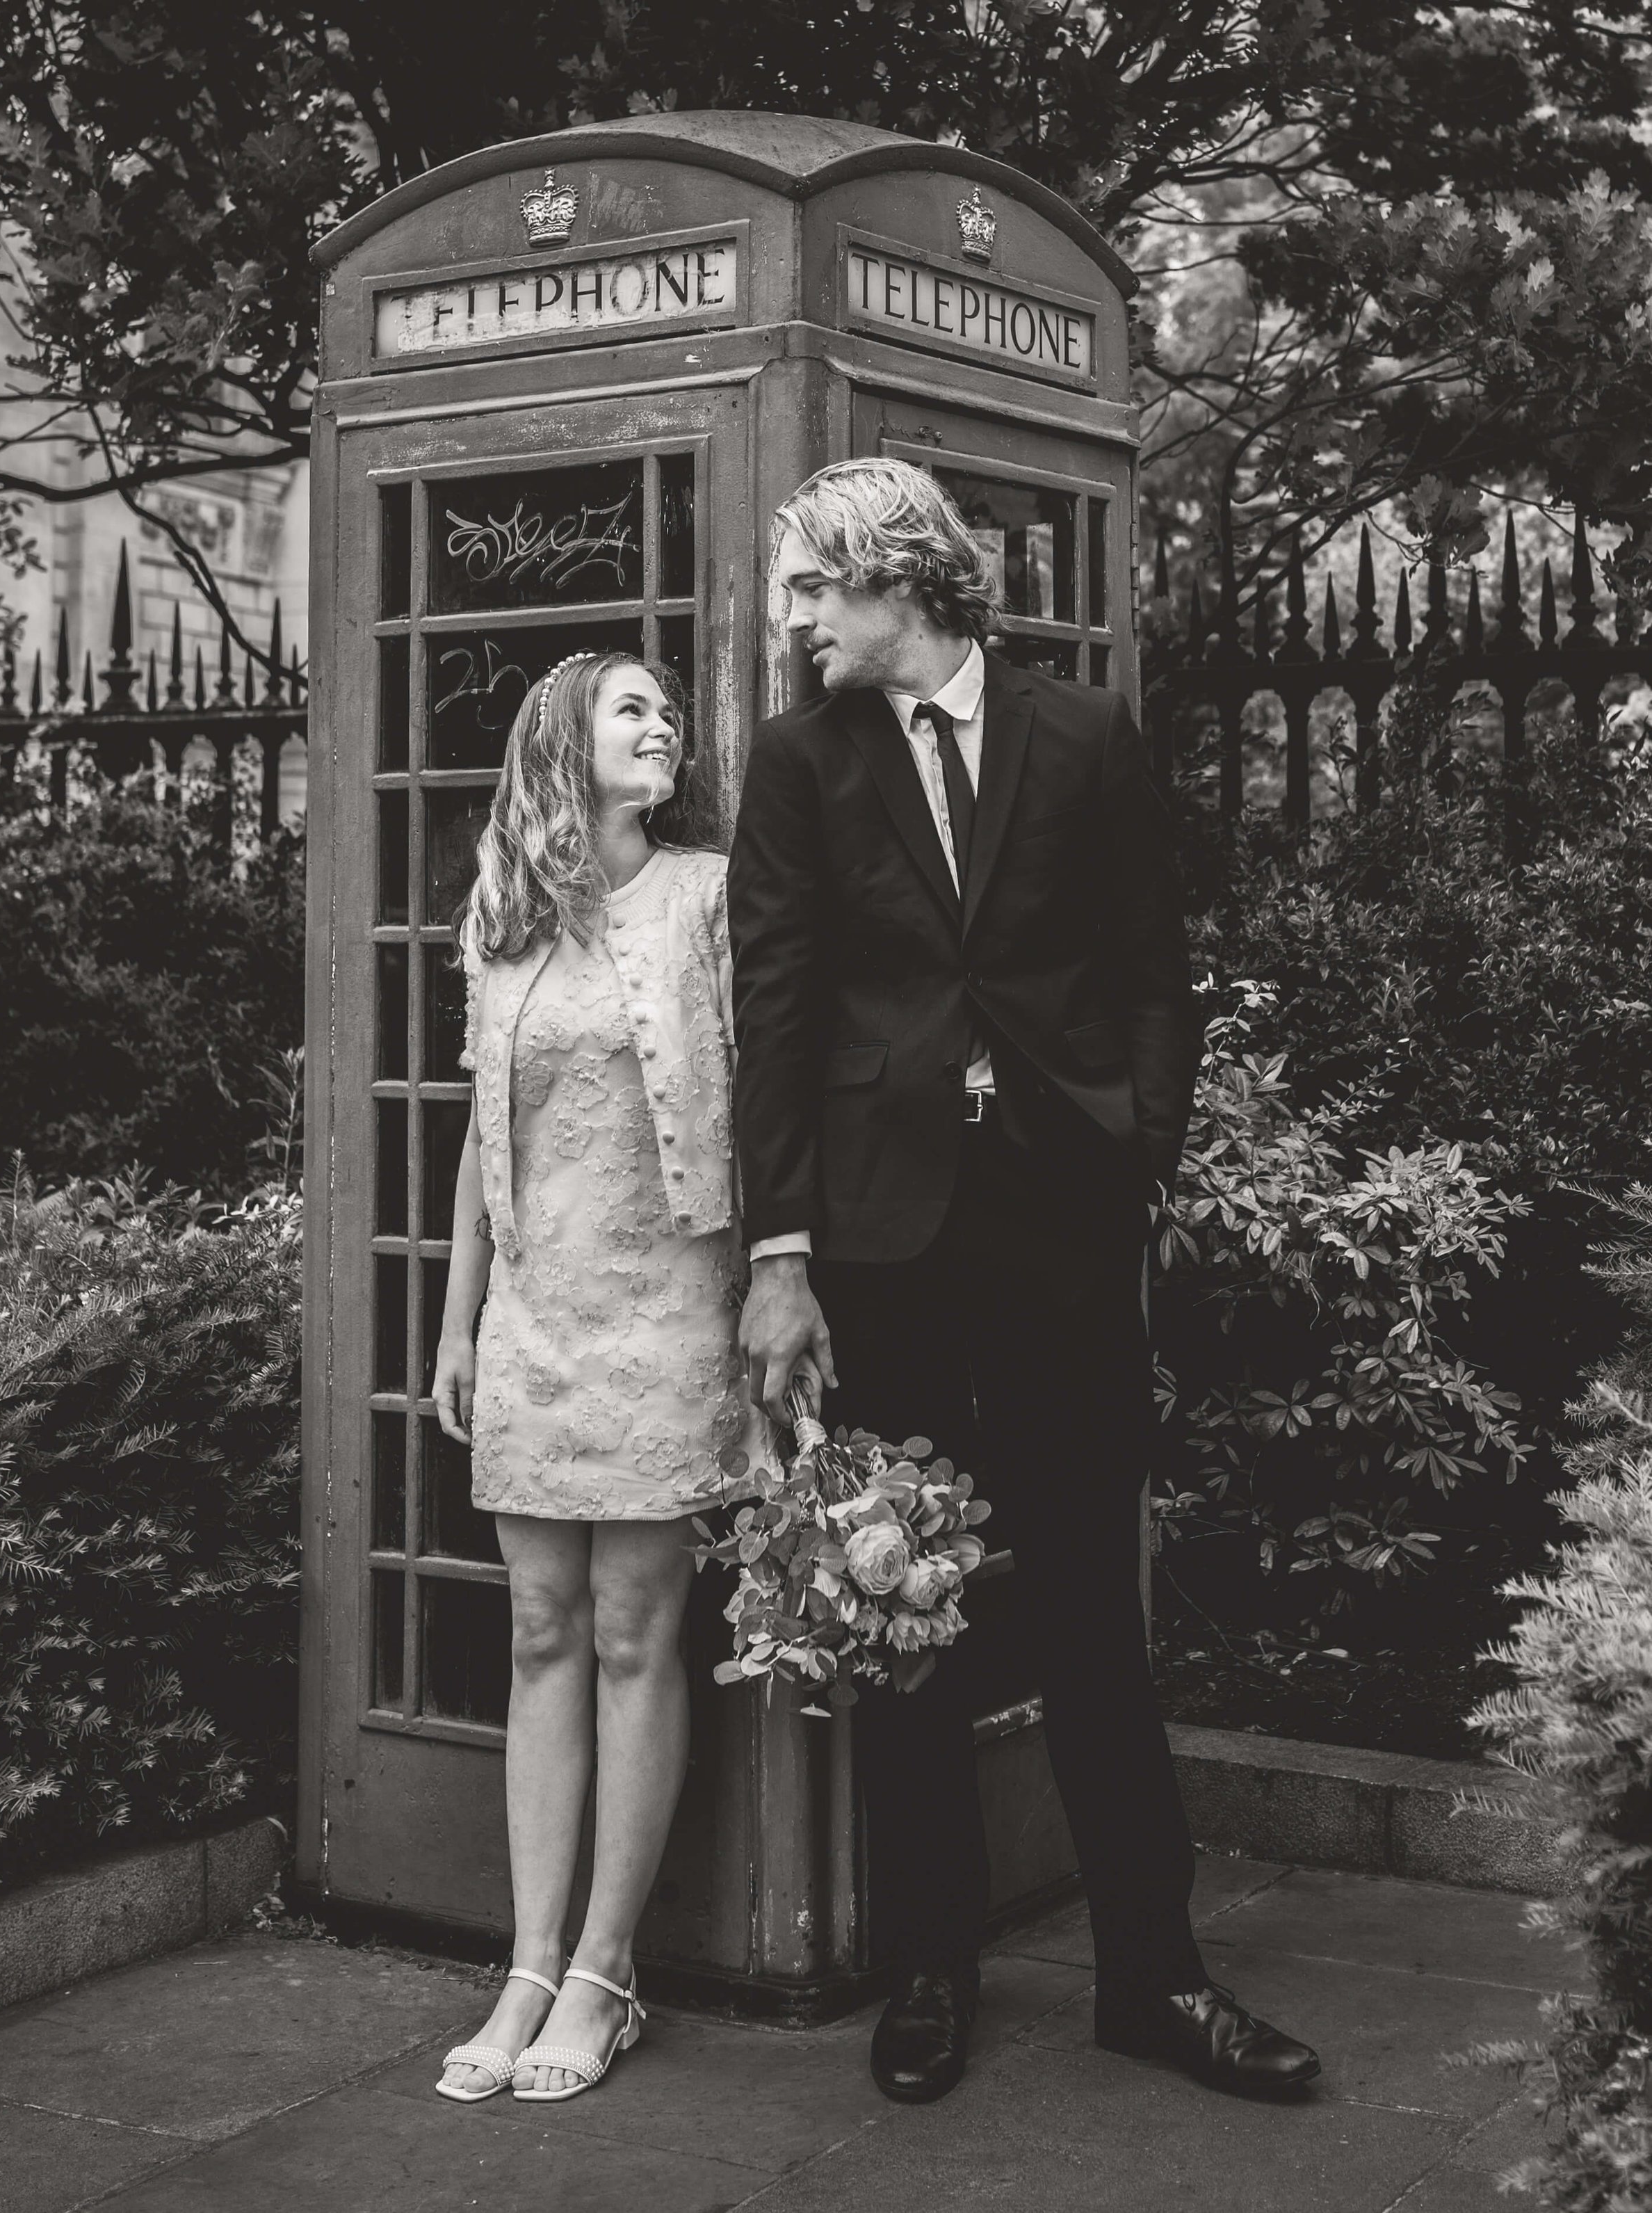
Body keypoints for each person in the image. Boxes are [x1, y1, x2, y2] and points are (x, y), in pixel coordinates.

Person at [728, 457, 1319, 2105]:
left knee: (1086, 1610)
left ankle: (1156, 1975)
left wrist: (1134, 1149)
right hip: (881, 1244)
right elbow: (770, 1014)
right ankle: (928, 1966)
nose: (788, 624)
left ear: (895, 580)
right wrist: (779, 1259)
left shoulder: (1080, 735)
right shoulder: (800, 763)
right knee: (901, 1603)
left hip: (1060, 1228)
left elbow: (1152, 966)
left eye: (807, 591)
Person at [430, 649, 757, 2107]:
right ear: (564, 743)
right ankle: (524, 1959)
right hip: (535, 1319)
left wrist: (779, 1285)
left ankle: (604, 1970)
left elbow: (766, 1089)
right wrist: (454, 1323)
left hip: (669, 1303)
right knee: (539, 1632)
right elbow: (472, 1138)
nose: (662, 723)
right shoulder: (500, 919)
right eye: (631, 708)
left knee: (636, 1635)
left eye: (666, 708)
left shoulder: (705, 895)